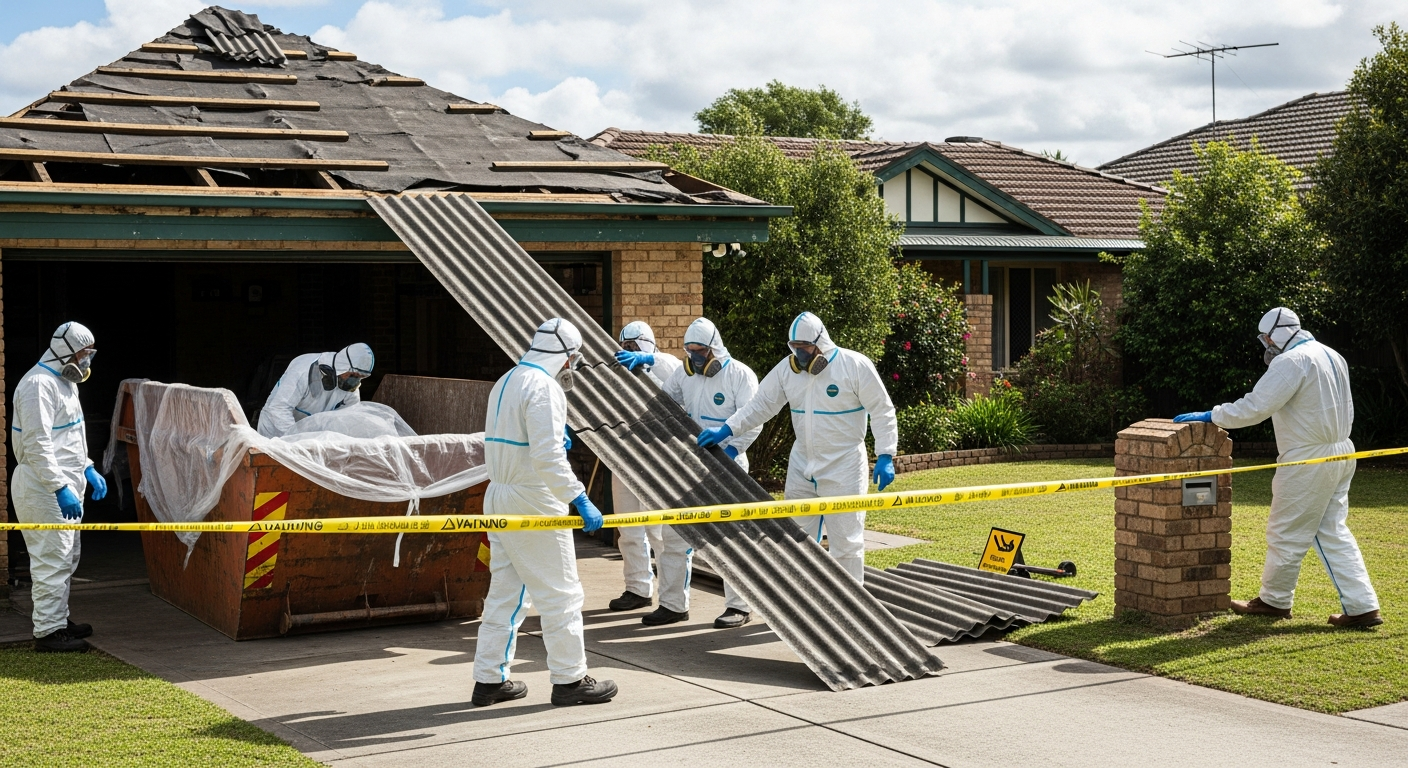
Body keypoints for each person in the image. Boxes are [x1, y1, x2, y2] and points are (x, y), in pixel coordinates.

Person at [1175, 307, 1381, 628]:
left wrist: (1212, 415)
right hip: (1341, 452)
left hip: (1307, 459)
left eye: (1268, 337)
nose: (1267, 343)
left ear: (1280, 332)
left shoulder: (1290, 362)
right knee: (1332, 531)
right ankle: (1363, 605)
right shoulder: (1331, 355)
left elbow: (1255, 407)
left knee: (1285, 531)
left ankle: (1274, 601)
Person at [471, 318, 619, 707]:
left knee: (505, 594)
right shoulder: (545, 387)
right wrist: (578, 497)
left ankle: (489, 679)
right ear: (568, 357)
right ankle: (571, 681)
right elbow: (548, 456)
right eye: (574, 360)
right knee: (562, 594)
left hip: (499, 495)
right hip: (533, 500)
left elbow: (518, 439)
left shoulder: (507, 380)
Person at [700, 312, 897, 588]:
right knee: (796, 539)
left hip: (844, 466)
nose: (800, 355)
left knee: (846, 543)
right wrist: (727, 429)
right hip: (802, 463)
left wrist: (886, 453)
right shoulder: (786, 370)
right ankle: (805, 606)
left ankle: (851, 613)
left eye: (804, 348)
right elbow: (761, 405)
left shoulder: (854, 366)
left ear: (821, 344)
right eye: (794, 348)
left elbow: (882, 409)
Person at [636, 318, 760, 628]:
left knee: (730, 539)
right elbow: (666, 402)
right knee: (675, 537)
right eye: (690, 351)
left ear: (714, 348)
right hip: (691, 465)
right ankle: (673, 605)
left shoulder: (740, 375)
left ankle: (739, 607)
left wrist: (731, 450)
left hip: (728, 465)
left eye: (701, 351)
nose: (695, 358)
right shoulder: (684, 373)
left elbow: (754, 418)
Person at [13, 322, 107, 653]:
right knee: (51, 558)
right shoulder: (37, 385)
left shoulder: (65, 383)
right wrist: (58, 487)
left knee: (67, 556)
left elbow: (67, 437)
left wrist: (87, 466)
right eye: (85, 353)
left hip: (66, 480)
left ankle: (59, 618)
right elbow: (37, 443)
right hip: (42, 485)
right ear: (67, 350)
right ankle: (48, 633)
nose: (87, 361)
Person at [607, 321, 684, 613]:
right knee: (628, 529)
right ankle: (637, 588)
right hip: (625, 455)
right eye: (624, 347)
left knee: (660, 532)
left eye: (634, 347)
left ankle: (670, 596)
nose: (628, 352)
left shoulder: (666, 368)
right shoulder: (619, 373)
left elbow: (675, 367)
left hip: (657, 460)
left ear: (647, 345)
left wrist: (647, 360)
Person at [256, 343, 375, 438]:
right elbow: (279, 408)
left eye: (361, 377)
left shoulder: (349, 388)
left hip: (313, 438)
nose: (355, 380)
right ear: (342, 366)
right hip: (277, 432)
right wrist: (297, 440)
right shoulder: (303, 371)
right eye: (353, 374)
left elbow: (348, 416)